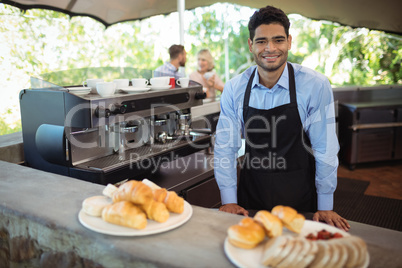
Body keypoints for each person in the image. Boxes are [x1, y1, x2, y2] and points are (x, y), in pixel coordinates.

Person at [214, 5, 350, 231]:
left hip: (300, 198)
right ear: (251, 45)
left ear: (289, 41)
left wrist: (325, 204)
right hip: (251, 196)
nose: (270, 48)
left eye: (278, 40)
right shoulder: (235, 88)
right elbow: (225, 147)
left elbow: (325, 147)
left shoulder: (314, 85)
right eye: (261, 41)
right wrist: (229, 200)